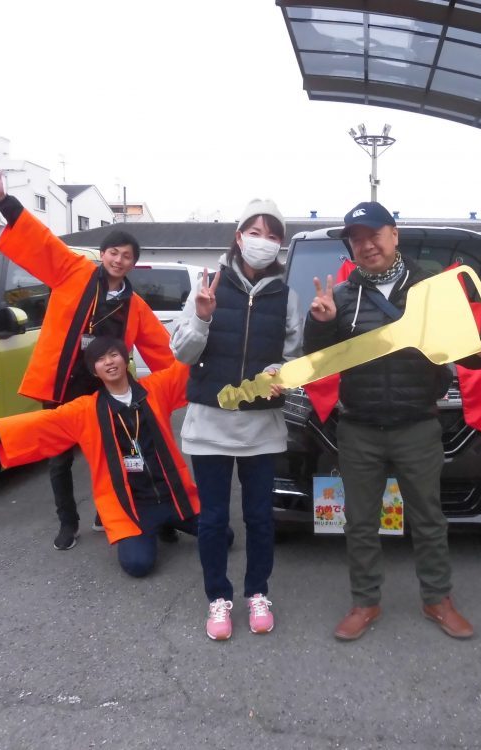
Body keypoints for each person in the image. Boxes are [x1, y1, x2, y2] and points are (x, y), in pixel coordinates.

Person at [305, 201, 481, 641]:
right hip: (358, 428)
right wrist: (320, 324)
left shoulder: (432, 290)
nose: (366, 245)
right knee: (359, 522)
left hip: (417, 425)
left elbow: (460, 351)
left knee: (428, 518)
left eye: (373, 235)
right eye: (357, 239)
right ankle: (365, 602)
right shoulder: (340, 298)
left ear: (394, 235)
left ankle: (437, 598)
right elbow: (315, 362)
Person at [0, 163, 174, 551]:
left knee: (112, 453)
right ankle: (68, 521)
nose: (119, 260)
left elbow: (164, 352)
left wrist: (193, 379)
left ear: (133, 263)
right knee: (59, 457)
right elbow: (40, 239)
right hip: (63, 382)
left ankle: (106, 510)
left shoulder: (135, 307)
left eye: (127, 256)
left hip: (108, 388)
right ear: (103, 254)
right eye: (113, 252)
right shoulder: (73, 271)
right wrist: (2, 198)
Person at [0, 337, 200, 578]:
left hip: (175, 496)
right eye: (100, 359)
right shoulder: (86, 410)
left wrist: (204, 321)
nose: (109, 362)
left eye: (113, 354)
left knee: (220, 533)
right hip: (134, 507)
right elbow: (41, 424)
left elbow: (185, 368)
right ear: (94, 371)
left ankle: (168, 523)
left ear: (125, 358)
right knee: (137, 565)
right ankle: (155, 528)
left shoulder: (156, 389)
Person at [171, 198, 301, 641]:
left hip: (261, 429)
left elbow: (295, 357)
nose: (263, 242)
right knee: (212, 519)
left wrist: (281, 373)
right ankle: (218, 598)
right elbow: (182, 353)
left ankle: (258, 592)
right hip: (209, 425)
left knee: (260, 517)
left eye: (273, 235)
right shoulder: (207, 287)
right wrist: (202, 318)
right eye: (256, 232)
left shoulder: (287, 296)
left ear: (280, 244)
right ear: (238, 236)